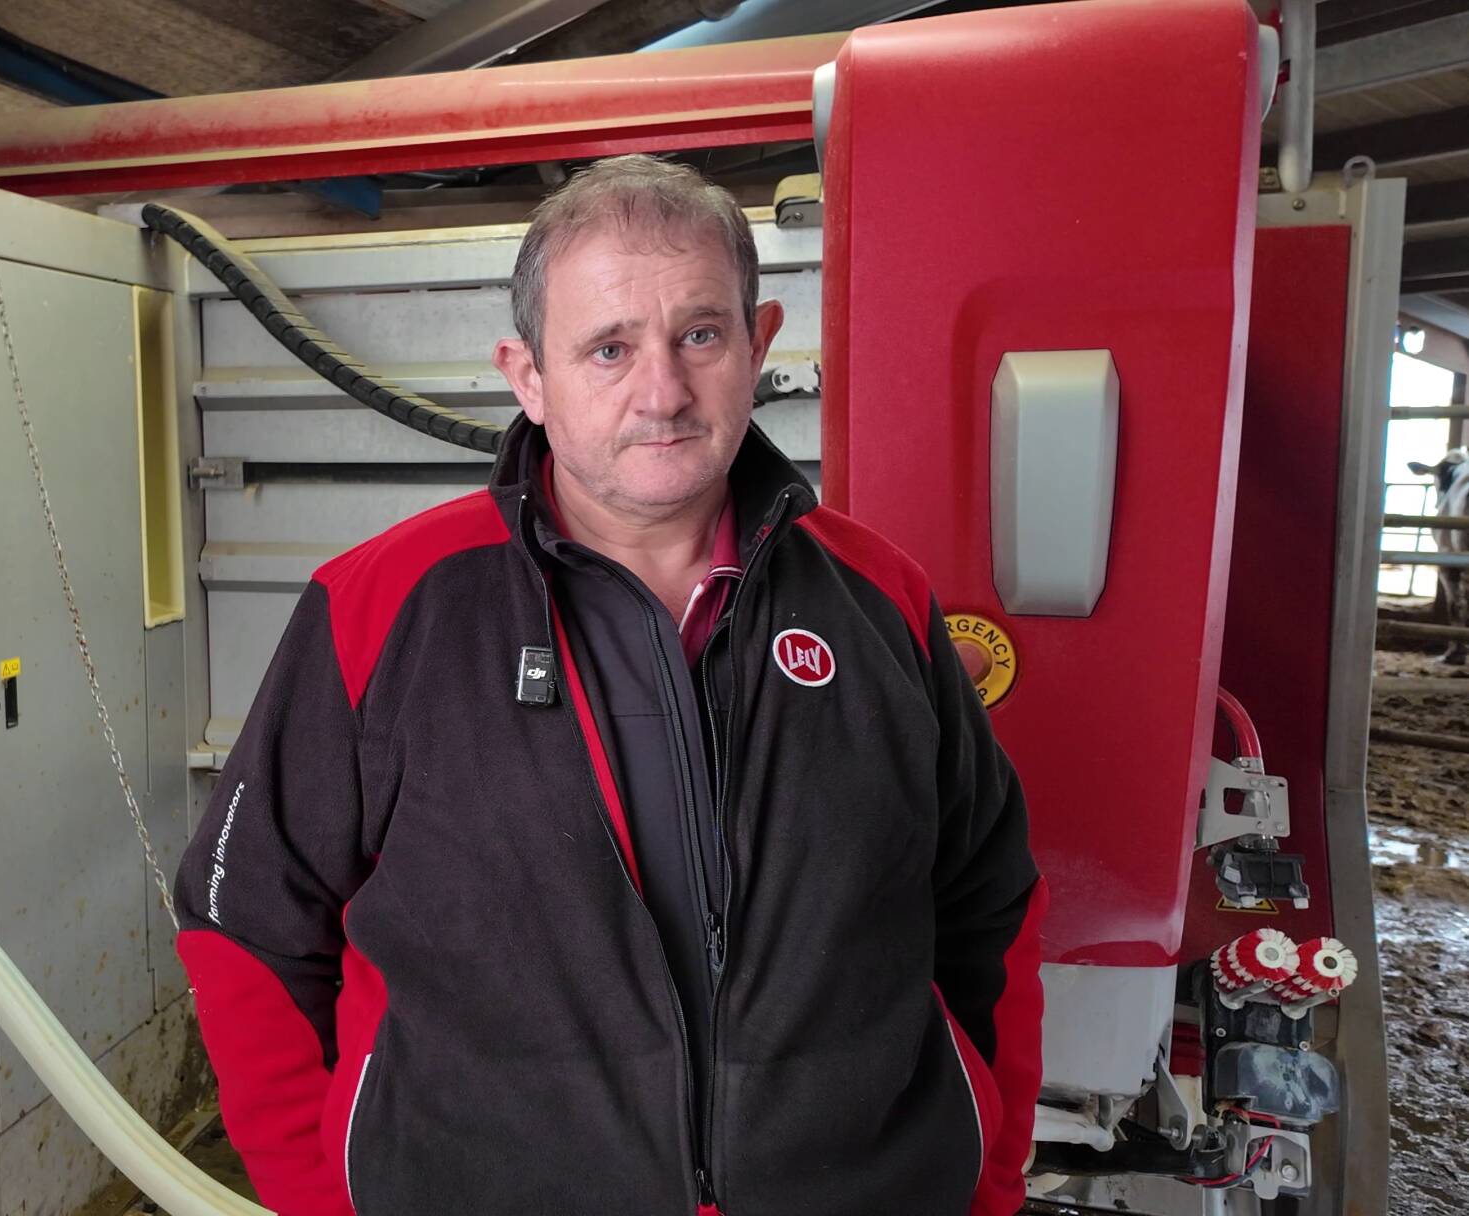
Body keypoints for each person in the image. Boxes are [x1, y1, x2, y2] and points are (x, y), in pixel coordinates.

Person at [173, 154, 1044, 1216]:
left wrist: (988, 1178)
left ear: (760, 341)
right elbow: (243, 920)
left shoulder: (880, 601)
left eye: (700, 335)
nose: (662, 393)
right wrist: (318, 1201)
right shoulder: (377, 609)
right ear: (527, 376)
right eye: (609, 349)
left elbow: (989, 899)